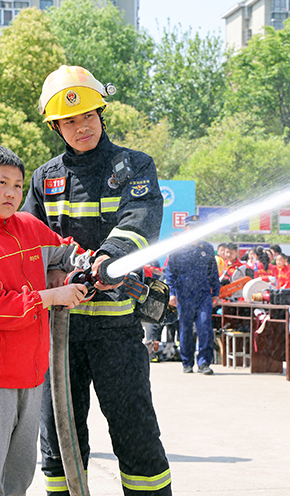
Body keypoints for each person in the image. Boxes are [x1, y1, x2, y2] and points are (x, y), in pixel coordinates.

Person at [21, 65, 171, 495]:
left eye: (87, 116)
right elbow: (29, 242)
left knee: (136, 435)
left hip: (116, 330)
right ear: (56, 126)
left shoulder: (134, 166)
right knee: (59, 443)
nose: (80, 126)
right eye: (69, 121)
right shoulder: (43, 178)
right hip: (58, 335)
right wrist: (55, 273)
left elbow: (139, 220)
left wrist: (109, 260)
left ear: (101, 114)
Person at [0, 145, 87, 496]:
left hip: (31, 373)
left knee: (18, 476)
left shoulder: (28, 227)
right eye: (1, 182)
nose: (11, 192)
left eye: (18, 186)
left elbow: (68, 251)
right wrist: (50, 297)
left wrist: (78, 265)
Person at [165, 215, 220, 375]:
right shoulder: (177, 248)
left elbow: (213, 273)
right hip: (184, 295)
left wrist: (215, 293)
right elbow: (170, 274)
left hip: (203, 295)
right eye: (192, 227)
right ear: (186, 229)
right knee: (186, 330)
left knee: (205, 327)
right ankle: (187, 362)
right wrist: (172, 293)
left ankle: (204, 363)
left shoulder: (207, 248)